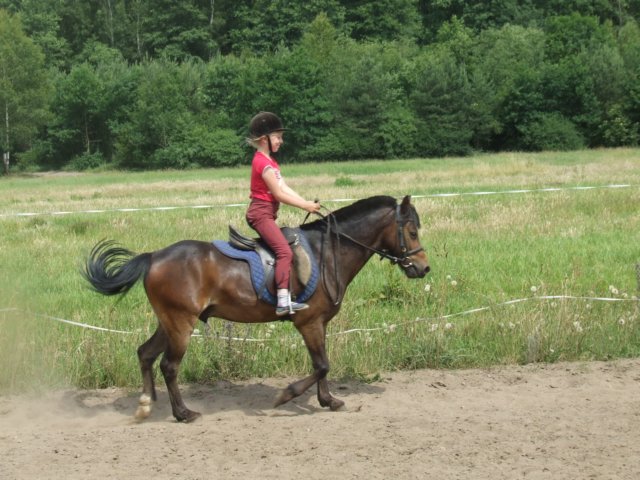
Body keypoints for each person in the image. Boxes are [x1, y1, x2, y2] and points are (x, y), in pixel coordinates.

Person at [245, 112, 321, 316]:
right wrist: (304, 206)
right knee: (285, 252)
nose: (281, 141)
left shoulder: (271, 162)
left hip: (267, 214)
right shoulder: (262, 163)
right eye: (278, 137)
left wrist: (306, 202)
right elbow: (278, 194)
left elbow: (284, 187)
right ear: (265, 139)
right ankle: (282, 302)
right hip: (260, 214)